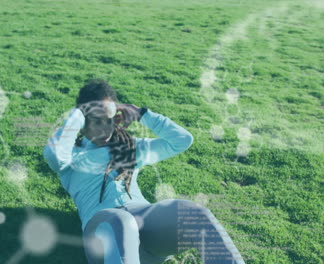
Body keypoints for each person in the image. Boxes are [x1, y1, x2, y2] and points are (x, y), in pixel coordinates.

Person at [43, 79, 245, 264]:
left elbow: (182, 141)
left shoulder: (130, 147)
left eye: (110, 120)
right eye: (97, 121)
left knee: (194, 214)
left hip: (148, 231)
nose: (105, 129)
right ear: (84, 122)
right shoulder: (70, 157)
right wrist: (77, 114)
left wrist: (142, 114)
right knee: (121, 221)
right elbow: (53, 155)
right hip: (104, 234)